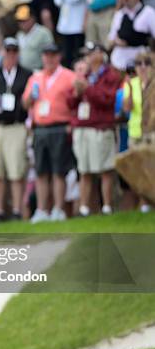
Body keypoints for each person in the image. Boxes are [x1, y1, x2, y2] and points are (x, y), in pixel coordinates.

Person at [22, 43, 76, 223]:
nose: (49, 58)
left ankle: (58, 209)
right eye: (47, 55)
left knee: (58, 171)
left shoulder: (68, 76)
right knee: (41, 171)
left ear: (58, 57)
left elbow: (75, 102)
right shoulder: (35, 77)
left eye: (53, 55)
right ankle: (42, 210)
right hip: (40, 128)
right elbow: (25, 103)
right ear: (43, 57)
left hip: (60, 126)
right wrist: (32, 97)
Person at [68, 42, 122, 215]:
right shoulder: (85, 74)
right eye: (87, 53)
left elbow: (108, 100)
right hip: (83, 127)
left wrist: (88, 89)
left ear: (101, 54)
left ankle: (107, 206)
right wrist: (76, 93)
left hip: (101, 127)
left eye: (91, 53)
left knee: (105, 169)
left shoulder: (110, 76)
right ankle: (85, 208)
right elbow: (71, 103)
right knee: (84, 170)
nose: (88, 57)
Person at [0, 37, 32, 220]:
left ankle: (17, 209)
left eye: (14, 51)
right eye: (8, 51)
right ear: (2, 52)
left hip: (16, 125)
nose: (11, 55)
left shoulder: (26, 75)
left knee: (16, 170)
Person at [123, 51, 153, 212]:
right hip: (135, 131)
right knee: (140, 171)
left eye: (146, 63)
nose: (142, 67)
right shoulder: (131, 84)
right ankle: (144, 203)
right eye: (139, 64)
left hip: (152, 132)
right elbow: (127, 108)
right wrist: (128, 87)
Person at [108, 0, 155, 70]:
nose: (125, 1)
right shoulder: (119, 14)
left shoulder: (148, 12)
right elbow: (111, 39)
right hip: (119, 61)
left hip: (140, 61)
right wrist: (117, 42)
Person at [54, 0, 90, 67]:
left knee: (78, 56)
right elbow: (57, 1)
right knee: (66, 56)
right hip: (65, 26)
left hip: (77, 26)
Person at [15, 4, 55, 71]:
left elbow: (51, 54)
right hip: (22, 73)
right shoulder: (19, 35)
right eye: (19, 20)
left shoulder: (43, 33)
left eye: (24, 20)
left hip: (38, 71)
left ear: (32, 18)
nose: (22, 23)